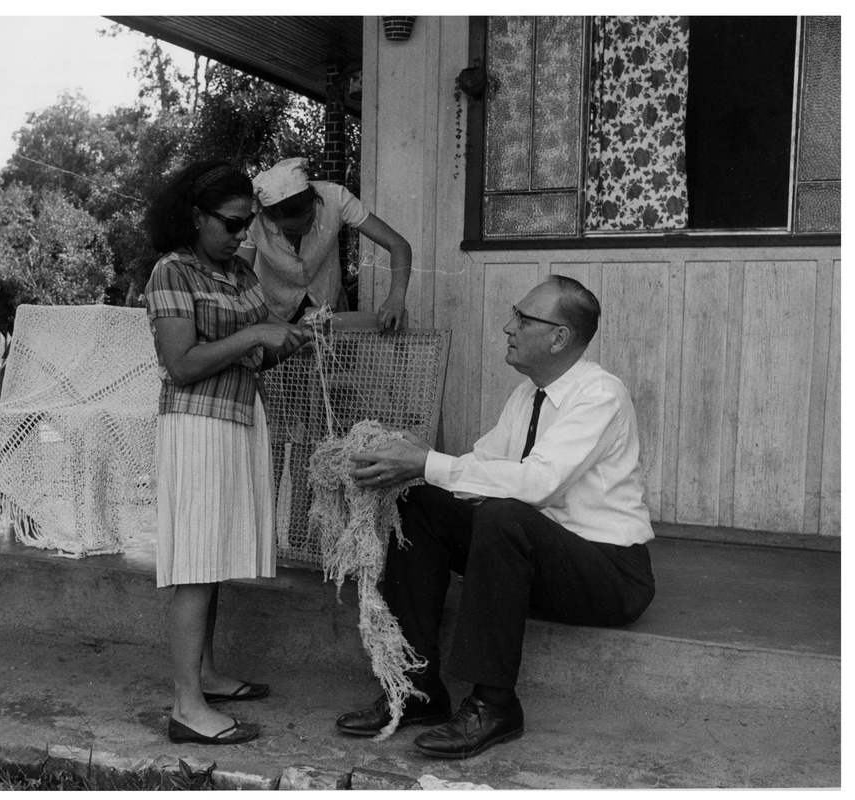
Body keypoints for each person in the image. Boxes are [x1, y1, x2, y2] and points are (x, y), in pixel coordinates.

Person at [335, 275, 656, 759]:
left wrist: (430, 462)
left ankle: (495, 703)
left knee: (505, 514)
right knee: (418, 502)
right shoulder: (527, 395)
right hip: (541, 565)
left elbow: (536, 484)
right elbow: (480, 468)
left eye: (523, 319)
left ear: (559, 337)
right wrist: (418, 461)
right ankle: (417, 687)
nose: (508, 327)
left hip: (608, 575)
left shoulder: (601, 395)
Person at [142, 160, 314, 746]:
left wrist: (291, 340)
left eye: (246, 225)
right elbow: (182, 364)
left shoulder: (238, 272)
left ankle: (208, 676)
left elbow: (260, 349)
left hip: (239, 420)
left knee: (210, 557)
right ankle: (187, 707)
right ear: (194, 216)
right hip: (196, 426)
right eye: (232, 224)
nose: (241, 236)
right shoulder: (172, 273)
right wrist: (254, 336)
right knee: (194, 563)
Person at [240, 157, 412, 331]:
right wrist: (287, 331)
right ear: (270, 219)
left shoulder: (336, 197)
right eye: (292, 229)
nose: (304, 230)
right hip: (273, 314)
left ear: (315, 200)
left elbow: (399, 245)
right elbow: (240, 282)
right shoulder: (252, 218)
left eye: (309, 219)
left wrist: (396, 296)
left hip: (329, 304)